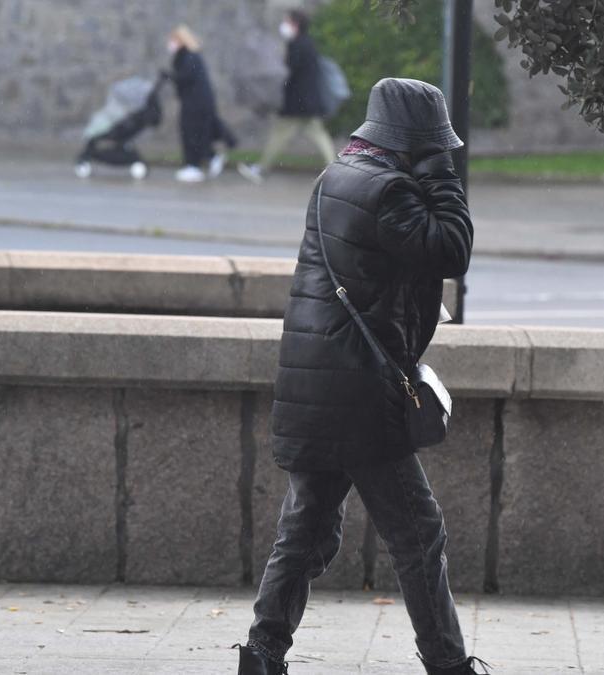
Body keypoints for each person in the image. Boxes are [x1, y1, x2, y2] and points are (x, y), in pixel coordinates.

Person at [234, 79, 485, 675]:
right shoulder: (389, 191)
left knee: (307, 529)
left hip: (315, 382)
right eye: (433, 145)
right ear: (416, 141)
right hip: (358, 391)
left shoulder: (337, 176)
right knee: (418, 533)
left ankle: (262, 656)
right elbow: (452, 249)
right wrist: (443, 174)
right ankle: (448, 665)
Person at [237, 9, 335, 184]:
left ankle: (261, 169)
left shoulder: (298, 44)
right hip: (306, 101)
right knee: (318, 134)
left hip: (298, 102)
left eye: (287, 22)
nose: (283, 25)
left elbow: (291, 70)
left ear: (295, 24)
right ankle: (335, 170)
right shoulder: (306, 43)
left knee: (280, 134)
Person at [166, 25, 235, 182]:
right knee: (196, 132)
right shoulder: (187, 56)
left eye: (173, 40)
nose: (170, 44)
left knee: (192, 133)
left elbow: (185, 78)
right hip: (196, 101)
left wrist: (171, 76)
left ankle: (194, 166)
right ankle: (209, 158)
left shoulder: (189, 56)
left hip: (196, 102)